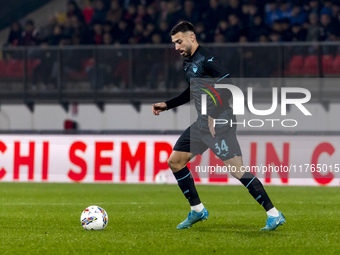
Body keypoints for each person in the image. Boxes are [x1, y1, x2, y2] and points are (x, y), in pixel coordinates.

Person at [151, 21, 285, 230]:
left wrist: (213, 113)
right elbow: (191, 91)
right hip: (201, 124)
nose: (176, 47)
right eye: (174, 43)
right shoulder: (188, 62)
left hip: (220, 123)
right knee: (175, 161)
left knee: (238, 171)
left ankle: (274, 214)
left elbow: (229, 87)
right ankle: (197, 210)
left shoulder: (209, 59)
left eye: (178, 42)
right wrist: (167, 105)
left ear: (191, 37)